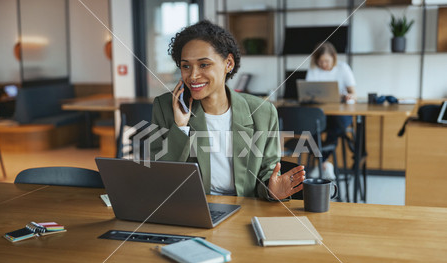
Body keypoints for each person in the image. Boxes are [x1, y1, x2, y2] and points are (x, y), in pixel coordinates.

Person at [149, 20, 305, 200]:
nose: (193, 75)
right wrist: (181, 128)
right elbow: (161, 179)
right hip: (193, 209)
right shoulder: (165, 107)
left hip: (245, 209)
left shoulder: (263, 112)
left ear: (228, 63)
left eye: (204, 64)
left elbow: (266, 173)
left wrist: (271, 190)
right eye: (186, 66)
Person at [305, 41, 356, 179]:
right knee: (310, 127)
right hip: (321, 114)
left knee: (337, 125)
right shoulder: (314, 70)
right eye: (320, 61)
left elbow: (353, 92)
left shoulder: (343, 68)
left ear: (333, 57)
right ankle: (325, 164)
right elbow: (308, 92)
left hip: (339, 114)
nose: (324, 65)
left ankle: (322, 163)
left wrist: (349, 96)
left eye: (326, 61)